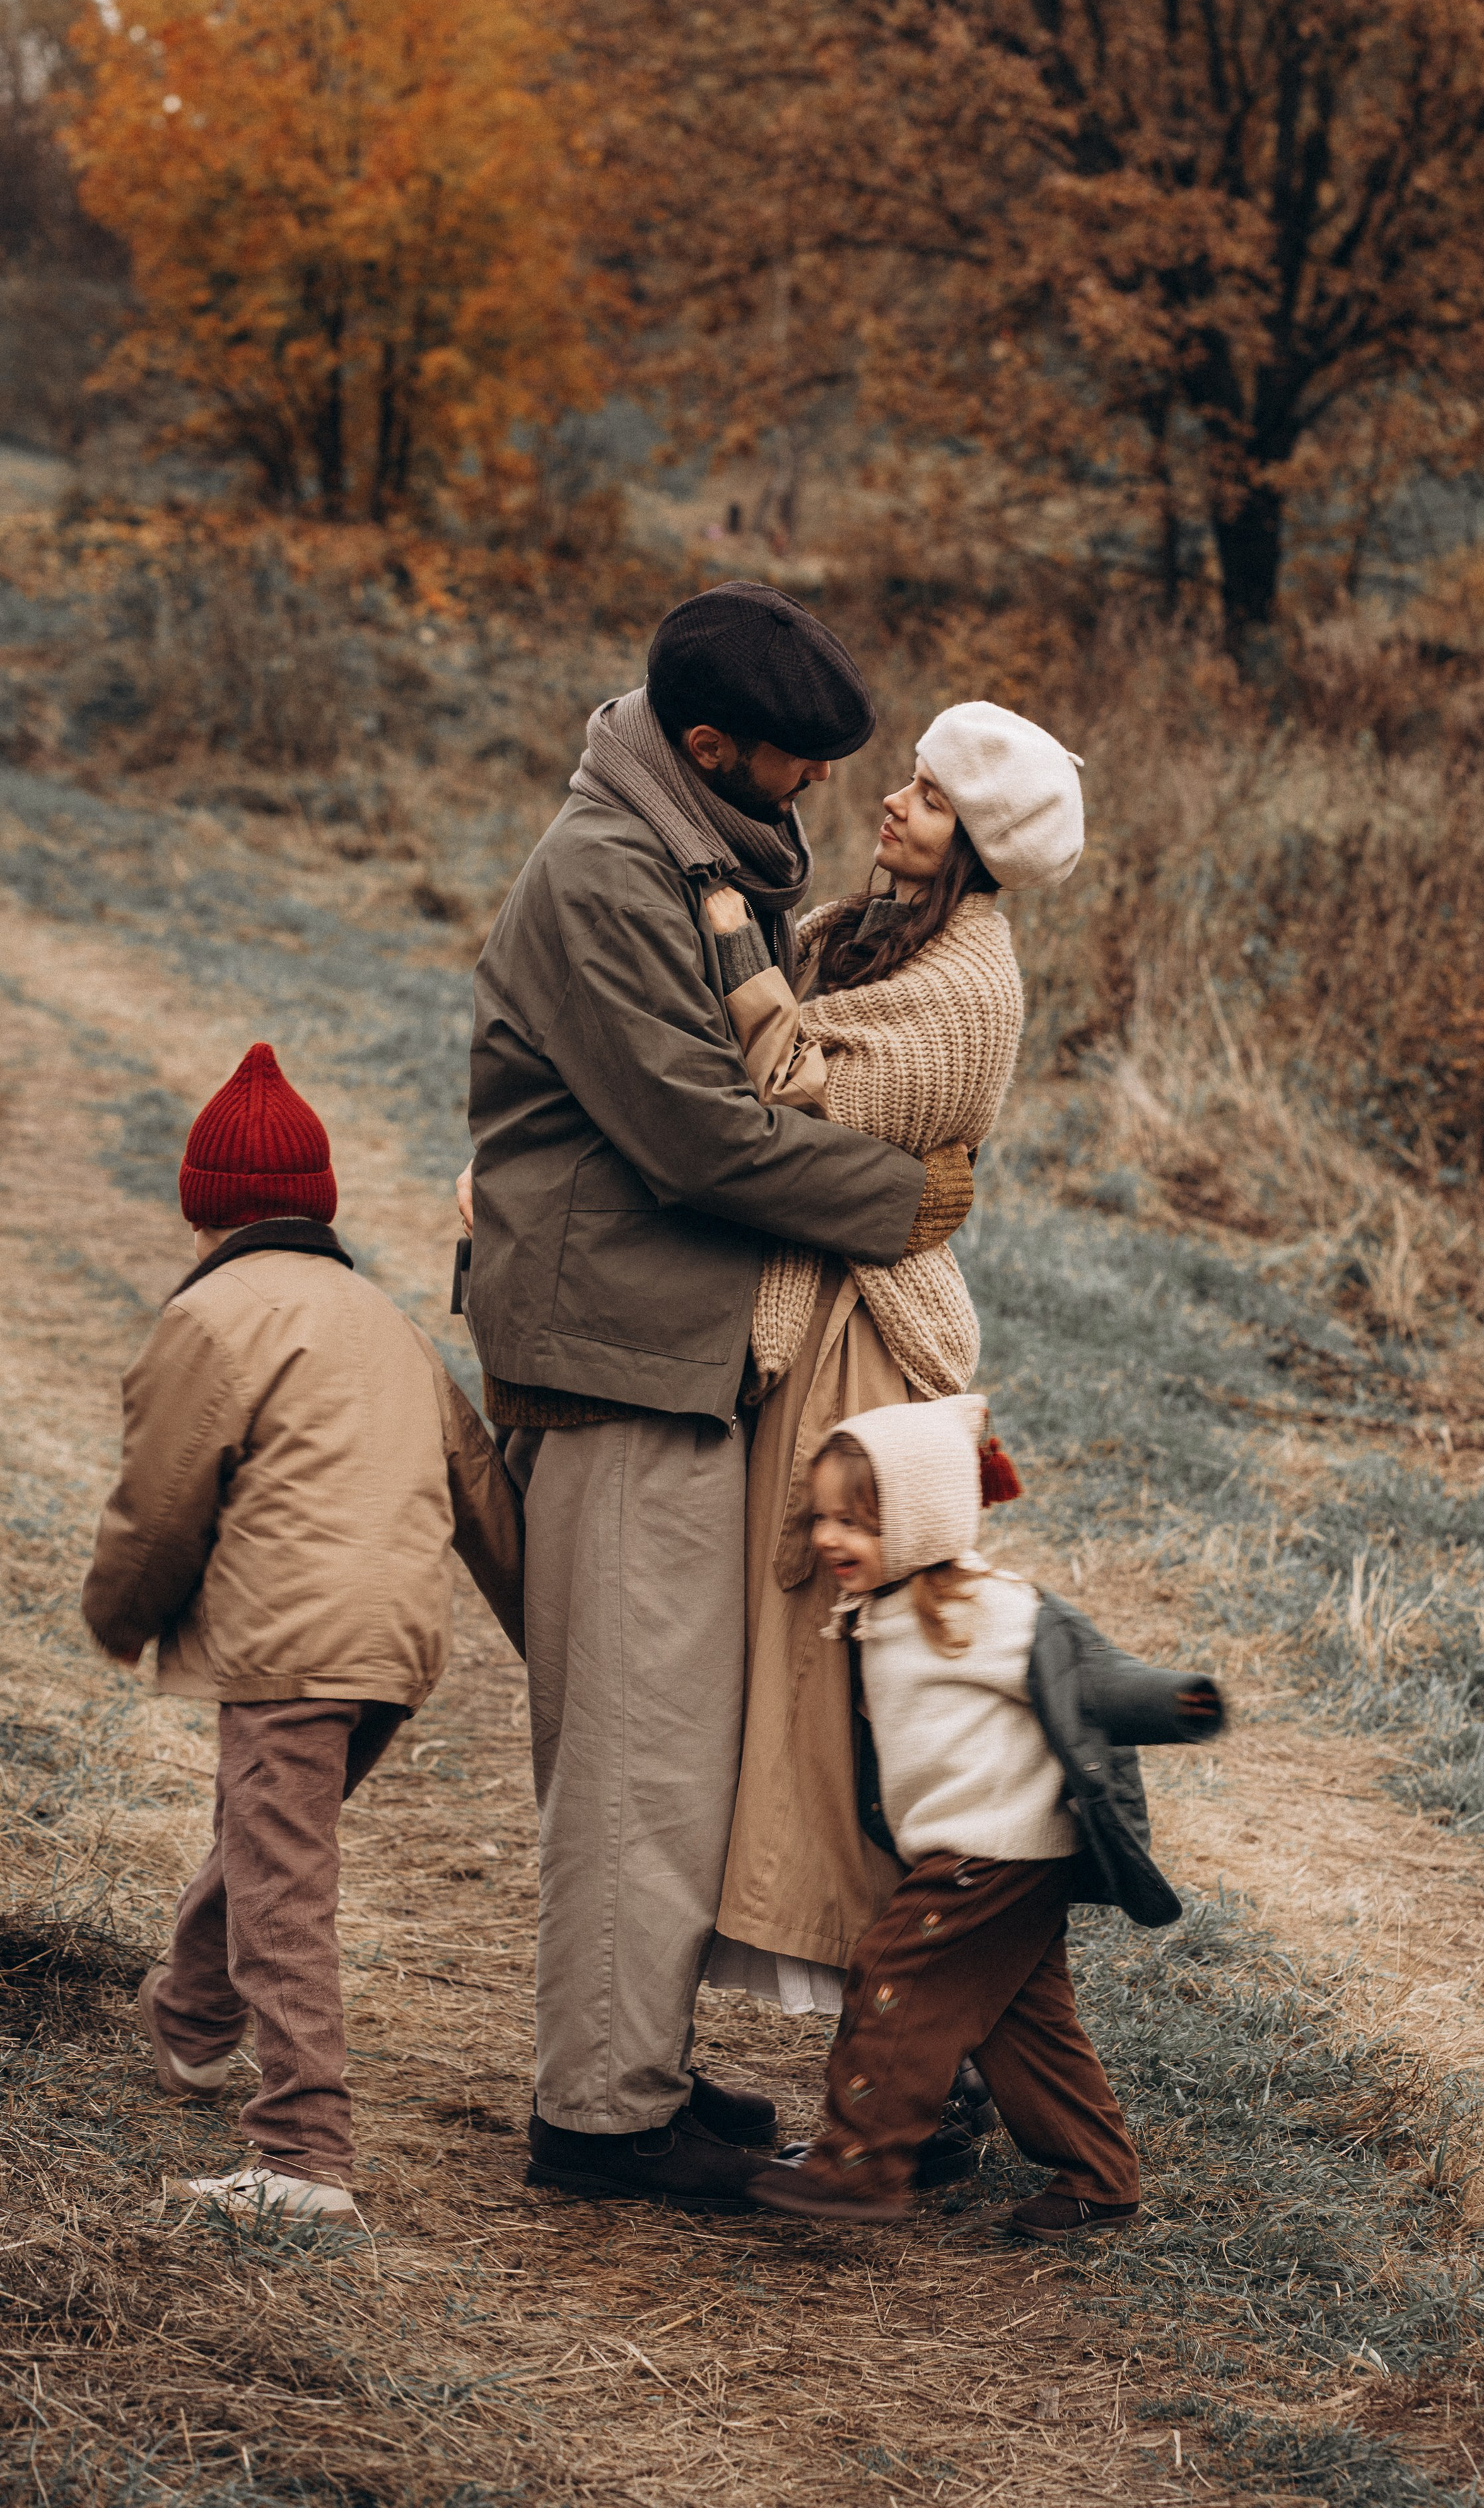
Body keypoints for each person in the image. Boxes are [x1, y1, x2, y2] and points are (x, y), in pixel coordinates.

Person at [461, 582, 976, 2210]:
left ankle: (636, 2070)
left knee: (673, 1741)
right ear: (706, 746)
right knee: (632, 1748)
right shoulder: (604, 876)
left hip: (666, 1340)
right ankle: (599, 2122)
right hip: (614, 1349)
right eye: (793, 760)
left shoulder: (697, 848)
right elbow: (696, 1134)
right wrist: (902, 1199)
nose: (820, 789)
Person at [79, 1044, 523, 2229]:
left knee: (282, 1873)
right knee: (270, 1830)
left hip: (291, 1642)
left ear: (202, 1210)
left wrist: (117, 1616)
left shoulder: (214, 1315)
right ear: (316, 1205)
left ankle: (302, 2153)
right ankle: (190, 2018)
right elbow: (482, 1486)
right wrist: (551, 1632)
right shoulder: (378, 1317)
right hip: (395, 1645)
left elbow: (162, 1495)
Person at [701, 701, 1086, 2048]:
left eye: (926, 797)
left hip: (872, 1343)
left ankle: (944, 2028)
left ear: (978, 844)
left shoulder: (971, 984)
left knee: (857, 1674)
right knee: (802, 1657)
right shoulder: (862, 931)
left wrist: (724, 936)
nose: (893, 804)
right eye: (908, 783)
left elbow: (789, 1087)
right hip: (820, 1314)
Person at [743, 1394, 1225, 2231]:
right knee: (1020, 2023)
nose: (829, 1539)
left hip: (995, 1850)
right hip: (984, 1853)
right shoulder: (878, 1608)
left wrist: (1176, 1703)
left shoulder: (987, 1605)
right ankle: (1097, 2181)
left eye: (856, 1522)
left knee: (895, 1977)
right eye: (823, 1518)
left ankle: (859, 2165)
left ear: (924, 1523)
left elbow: (1084, 1672)